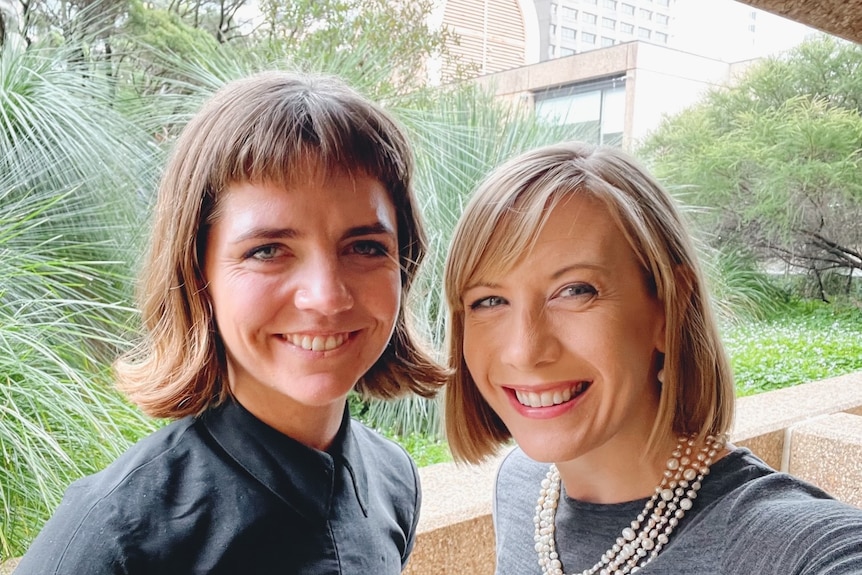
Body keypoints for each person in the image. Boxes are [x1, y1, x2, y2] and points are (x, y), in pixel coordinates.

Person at [14, 70, 446, 574]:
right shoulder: (113, 537)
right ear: (199, 273)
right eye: (268, 251)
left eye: (366, 247)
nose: (326, 297)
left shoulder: (394, 479)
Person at [443, 141, 862, 575]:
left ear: (670, 307)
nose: (524, 351)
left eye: (576, 290)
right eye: (489, 300)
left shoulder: (796, 549)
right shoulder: (521, 486)